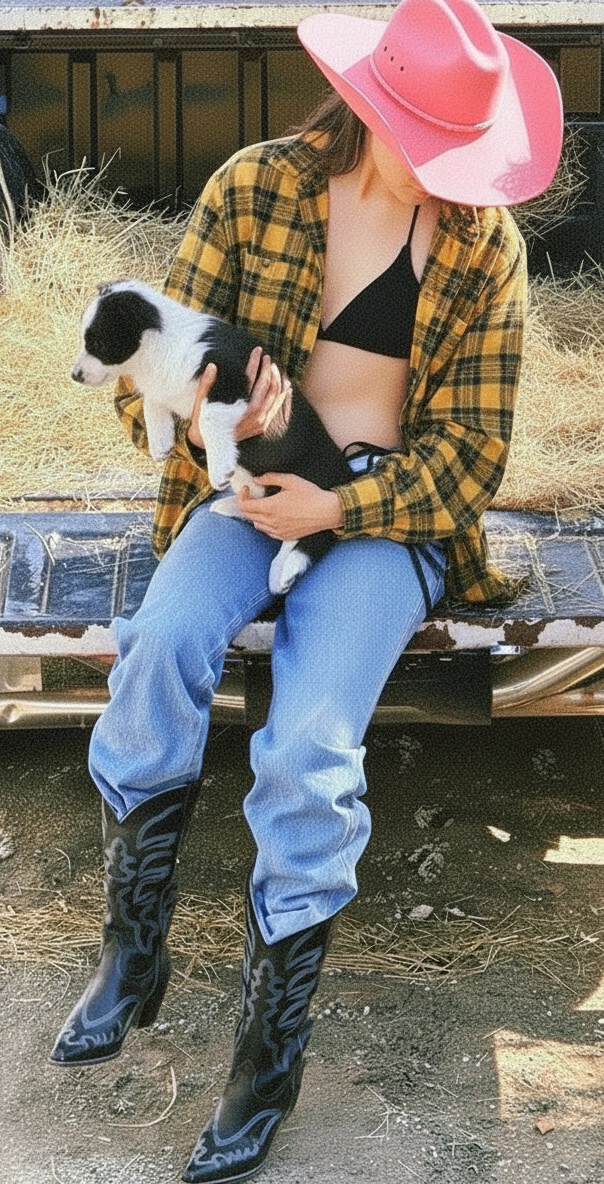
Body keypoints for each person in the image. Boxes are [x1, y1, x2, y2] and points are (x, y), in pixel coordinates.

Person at [49, 0, 564, 1179]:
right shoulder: (254, 190)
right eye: (436, 148)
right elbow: (142, 380)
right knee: (159, 644)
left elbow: (472, 456)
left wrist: (338, 505)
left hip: (389, 518)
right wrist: (213, 417)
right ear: (375, 110)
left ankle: (265, 1058)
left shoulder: (486, 247)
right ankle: (134, 947)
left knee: (309, 747)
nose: (454, 176)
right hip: (249, 489)